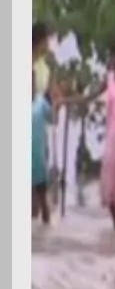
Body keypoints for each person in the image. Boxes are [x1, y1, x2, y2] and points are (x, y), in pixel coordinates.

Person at [70, 40, 115, 232]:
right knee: (109, 185)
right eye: (110, 58)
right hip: (112, 137)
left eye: (114, 58)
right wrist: (69, 100)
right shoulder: (109, 79)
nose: (112, 62)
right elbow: (91, 96)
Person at [32, 90, 54, 225]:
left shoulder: (41, 102)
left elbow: (53, 119)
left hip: (38, 155)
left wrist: (54, 104)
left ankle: (45, 230)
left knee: (42, 196)